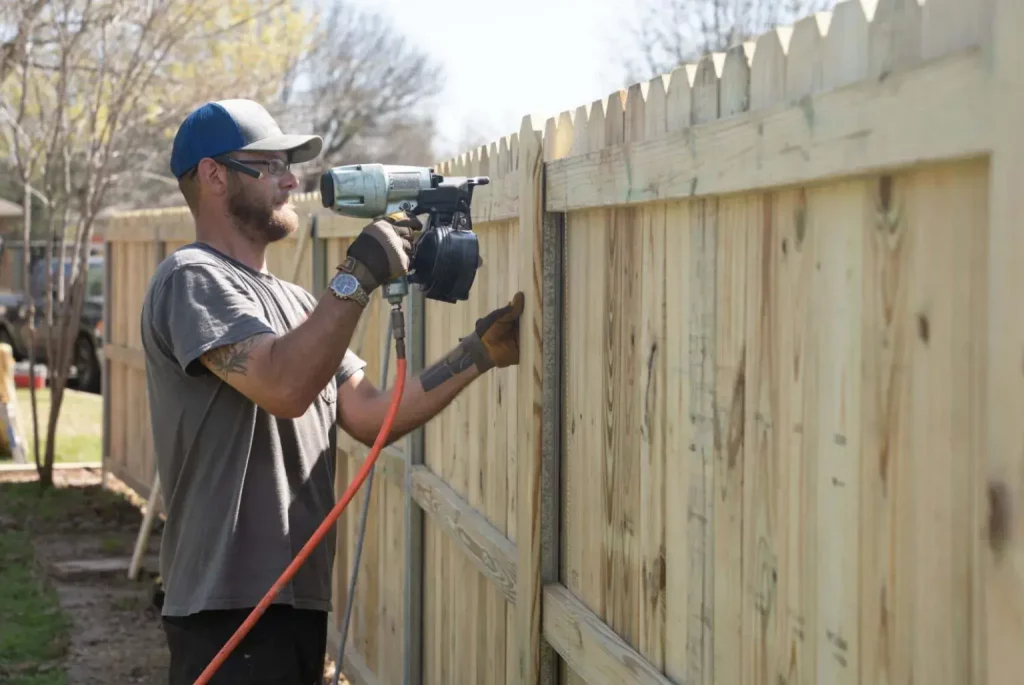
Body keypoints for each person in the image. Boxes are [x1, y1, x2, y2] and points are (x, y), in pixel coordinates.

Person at [140, 98, 524, 684]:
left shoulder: (298, 305)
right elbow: (284, 386)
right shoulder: (191, 280)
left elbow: (370, 414)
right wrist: (358, 275)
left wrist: (477, 354)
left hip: (298, 600)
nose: (290, 179)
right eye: (269, 165)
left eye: (288, 165)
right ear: (215, 176)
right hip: (225, 606)